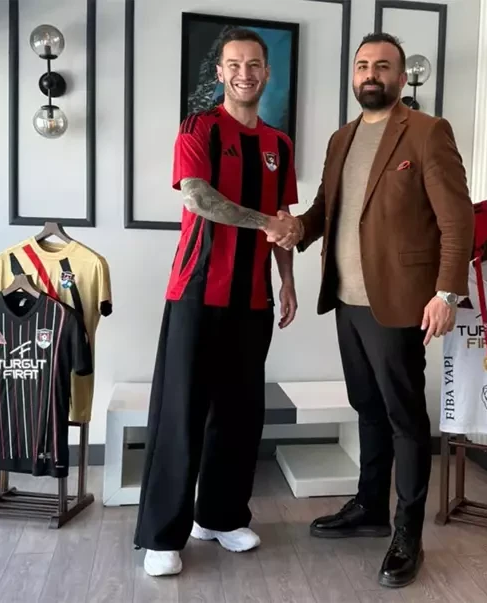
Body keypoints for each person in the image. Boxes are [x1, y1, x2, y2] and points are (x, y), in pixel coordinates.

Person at [270, 32, 475, 588]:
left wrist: (447, 293)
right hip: (347, 298)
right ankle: (369, 507)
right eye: (362, 65)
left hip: (402, 302)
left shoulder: (428, 132)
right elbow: (325, 209)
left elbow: (458, 219)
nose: (370, 74)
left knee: (405, 417)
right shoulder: (341, 138)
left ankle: (408, 533)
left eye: (382, 66)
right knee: (367, 407)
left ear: (401, 78)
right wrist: (296, 229)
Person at [134, 27, 300, 578]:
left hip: (253, 299)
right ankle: (163, 536)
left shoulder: (280, 144)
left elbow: (283, 225)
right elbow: (198, 198)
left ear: (267, 72)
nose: (245, 73)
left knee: (240, 415)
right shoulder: (199, 127)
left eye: (254, 64)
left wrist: (287, 281)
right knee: (181, 413)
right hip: (196, 291)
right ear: (220, 72)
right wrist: (267, 222)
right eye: (235, 64)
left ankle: (221, 517)